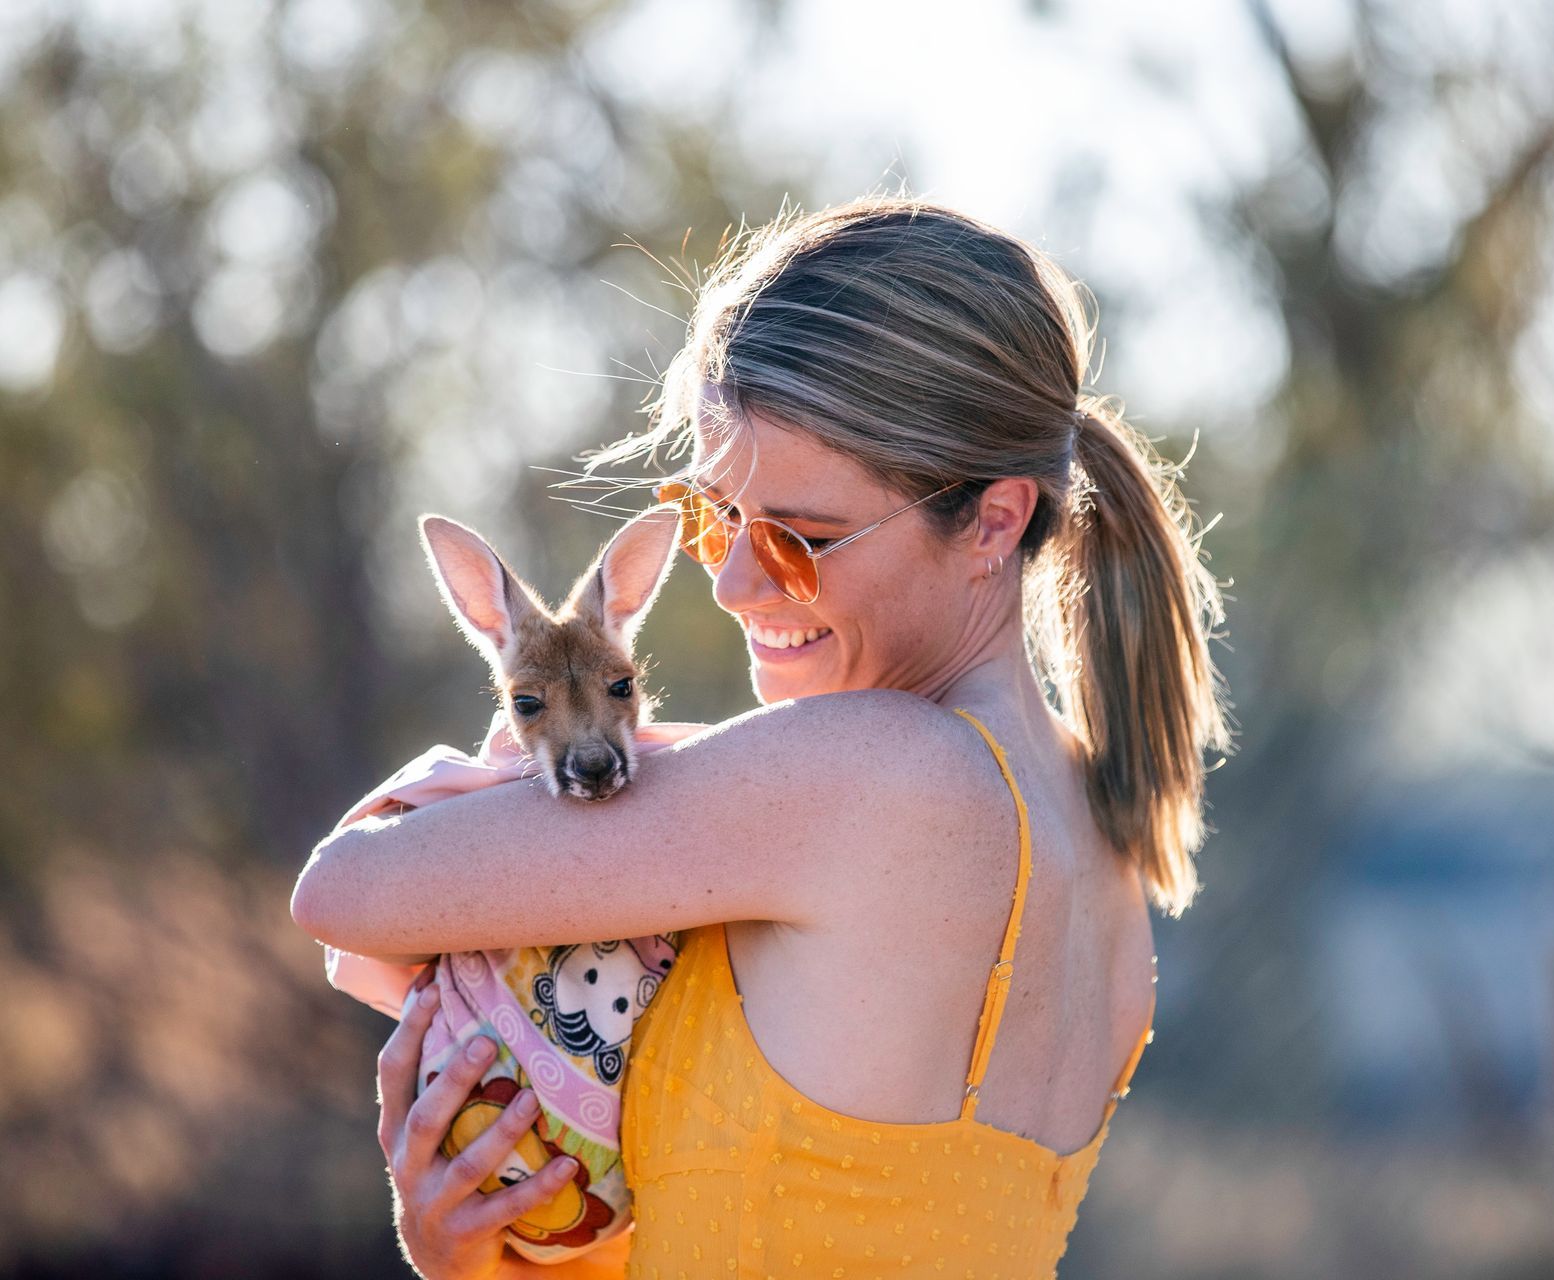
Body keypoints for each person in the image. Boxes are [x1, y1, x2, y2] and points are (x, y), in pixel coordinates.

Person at [291, 193, 1235, 1280]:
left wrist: (493, 767)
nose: (734, 582)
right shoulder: (1104, 835)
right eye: (715, 518)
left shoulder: (869, 767)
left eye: (800, 536)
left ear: (994, 519)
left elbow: (343, 891)